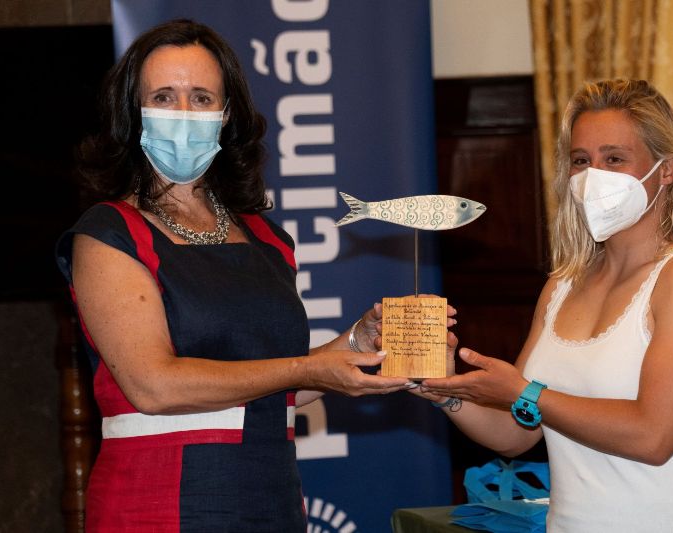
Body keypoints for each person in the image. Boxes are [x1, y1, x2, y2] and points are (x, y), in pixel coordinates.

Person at [55, 19, 443, 531]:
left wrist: (356, 342)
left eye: (201, 98)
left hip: (271, 499)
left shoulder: (267, 238)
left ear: (226, 115)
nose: (184, 113)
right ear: (133, 113)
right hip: (160, 502)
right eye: (164, 97)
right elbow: (153, 386)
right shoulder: (107, 234)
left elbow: (275, 385)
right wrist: (304, 370)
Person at [418, 79, 673, 532]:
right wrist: (447, 390)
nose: (593, 176)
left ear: (667, 170)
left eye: (614, 159)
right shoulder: (562, 286)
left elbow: (654, 437)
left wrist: (525, 393)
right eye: (581, 160)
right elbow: (515, 432)